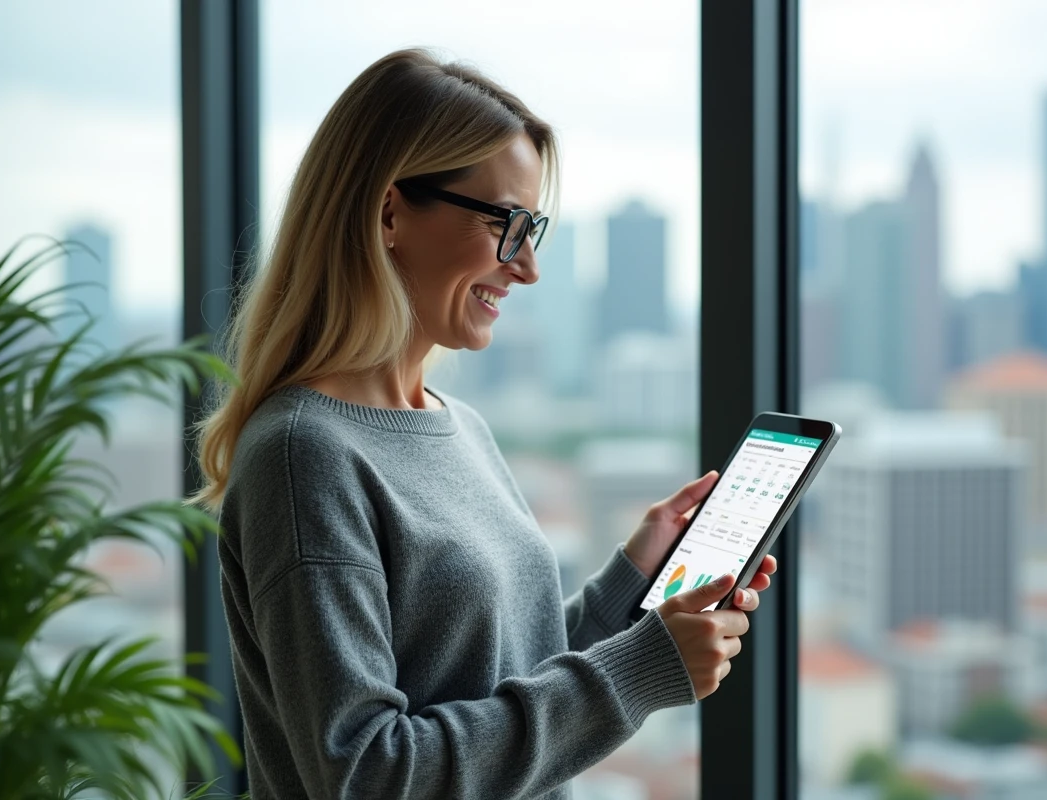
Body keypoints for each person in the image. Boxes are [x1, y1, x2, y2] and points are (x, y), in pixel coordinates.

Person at [190, 47, 777, 800]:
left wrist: (629, 585)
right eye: (506, 222)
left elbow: (502, 678)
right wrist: (638, 672)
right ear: (390, 211)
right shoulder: (306, 454)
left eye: (533, 226)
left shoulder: (457, 425)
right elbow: (367, 772)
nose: (526, 265)